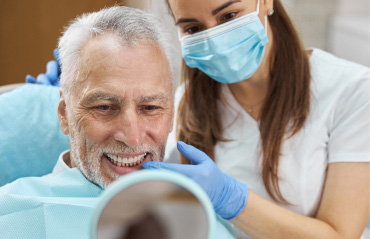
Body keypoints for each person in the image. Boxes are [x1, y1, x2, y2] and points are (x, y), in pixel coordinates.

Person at [27, 0, 370, 238]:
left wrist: (231, 199)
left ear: (266, 2)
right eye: (192, 27)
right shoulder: (183, 103)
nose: (215, 37)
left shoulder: (351, 91)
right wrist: (84, 94)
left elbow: (341, 235)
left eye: (228, 15)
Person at [0, 6, 176, 238]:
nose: (132, 138)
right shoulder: (10, 216)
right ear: (64, 113)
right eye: (104, 107)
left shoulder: (201, 213)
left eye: (150, 108)